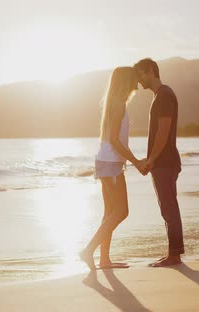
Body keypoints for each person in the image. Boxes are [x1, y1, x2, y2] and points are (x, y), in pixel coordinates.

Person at [80, 66, 145, 270]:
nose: (138, 81)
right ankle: (88, 251)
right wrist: (137, 161)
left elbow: (115, 141)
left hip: (106, 163)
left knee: (110, 212)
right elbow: (116, 142)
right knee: (121, 212)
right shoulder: (118, 105)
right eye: (134, 77)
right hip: (111, 164)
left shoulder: (116, 103)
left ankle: (104, 260)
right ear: (127, 81)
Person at [134, 58, 184, 267]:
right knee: (168, 206)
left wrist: (151, 160)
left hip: (164, 162)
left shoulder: (163, 95)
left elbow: (163, 132)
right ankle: (174, 252)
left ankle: (174, 255)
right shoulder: (161, 95)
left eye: (140, 75)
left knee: (168, 207)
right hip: (165, 161)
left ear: (150, 71)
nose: (138, 81)